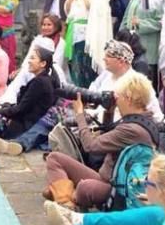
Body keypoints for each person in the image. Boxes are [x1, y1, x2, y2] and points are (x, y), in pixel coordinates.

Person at [44, 72, 159, 210]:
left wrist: (80, 115)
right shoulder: (145, 121)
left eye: (118, 97)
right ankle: (63, 192)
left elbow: (90, 146)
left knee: (84, 187)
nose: (116, 101)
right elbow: (108, 138)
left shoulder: (132, 130)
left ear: (128, 98)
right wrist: (109, 113)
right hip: (106, 179)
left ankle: (65, 203)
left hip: (116, 190)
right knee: (55, 158)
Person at [0, 45, 58, 148]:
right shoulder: (43, 80)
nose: (29, 61)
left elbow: (21, 109)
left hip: (23, 125)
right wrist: (3, 108)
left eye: (33, 58)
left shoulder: (39, 82)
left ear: (43, 63)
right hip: (23, 120)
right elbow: (23, 105)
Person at [1, 14, 66, 104]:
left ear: (56, 26)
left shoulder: (61, 43)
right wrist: (20, 69)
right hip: (32, 66)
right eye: (44, 25)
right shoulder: (38, 40)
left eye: (49, 25)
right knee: (19, 78)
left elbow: (56, 60)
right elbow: (29, 57)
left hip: (49, 70)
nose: (46, 27)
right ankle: (8, 101)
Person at [65, 0, 112, 87]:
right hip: (75, 34)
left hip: (89, 37)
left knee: (86, 66)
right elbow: (67, 9)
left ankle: (89, 94)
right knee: (76, 66)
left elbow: (91, 8)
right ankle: (79, 94)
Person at [121, 0, 162, 90]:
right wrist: (121, 36)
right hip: (131, 43)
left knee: (146, 82)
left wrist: (141, 23)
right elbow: (126, 17)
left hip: (148, 45)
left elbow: (160, 22)